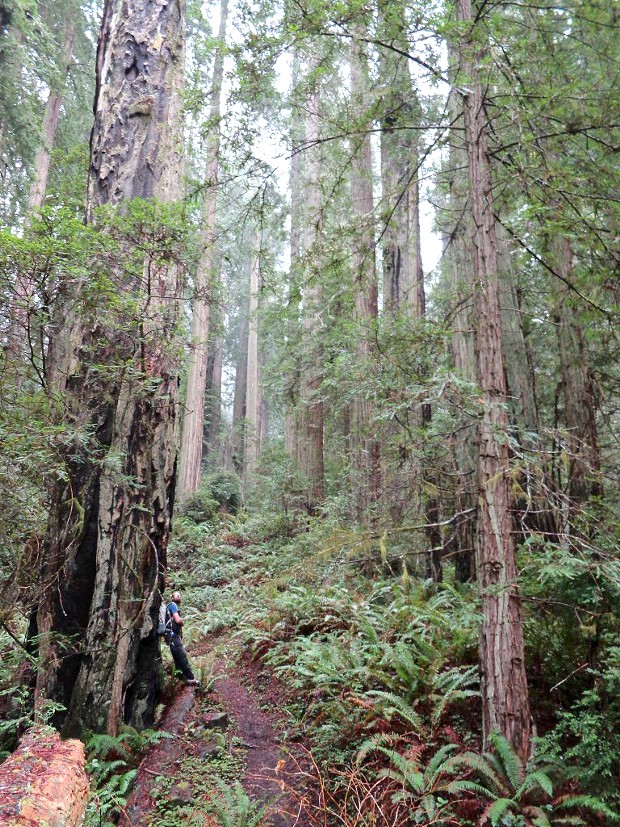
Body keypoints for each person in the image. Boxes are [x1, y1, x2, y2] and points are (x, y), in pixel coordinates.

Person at [164, 591, 198, 686]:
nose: (179, 596)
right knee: (182, 656)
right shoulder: (172, 605)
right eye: (177, 595)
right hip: (172, 636)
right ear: (172, 597)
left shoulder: (171, 606)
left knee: (177, 658)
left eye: (180, 595)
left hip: (170, 636)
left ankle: (181, 678)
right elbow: (178, 620)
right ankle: (191, 678)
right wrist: (182, 623)